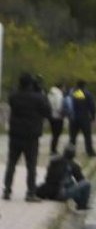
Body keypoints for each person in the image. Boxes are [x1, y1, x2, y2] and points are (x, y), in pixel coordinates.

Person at [5, 73, 52, 202]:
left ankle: (7, 190)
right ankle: (30, 192)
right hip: (31, 136)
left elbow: (13, 97)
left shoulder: (14, 96)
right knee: (31, 165)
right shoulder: (39, 98)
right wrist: (42, 93)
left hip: (15, 135)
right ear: (32, 84)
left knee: (11, 163)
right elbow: (48, 112)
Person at [67, 80, 96, 158]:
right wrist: (93, 116)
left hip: (73, 118)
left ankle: (70, 152)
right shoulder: (87, 94)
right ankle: (90, 152)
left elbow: (68, 105)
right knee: (87, 136)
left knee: (72, 137)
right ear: (84, 85)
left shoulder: (72, 93)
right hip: (84, 117)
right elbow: (92, 106)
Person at [47, 82, 65, 155]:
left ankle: (52, 149)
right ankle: (53, 150)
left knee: (54, 134)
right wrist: (62, 112)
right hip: (58, 116)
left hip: (51, 116)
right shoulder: (59, 94)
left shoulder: (50, 94)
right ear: (61, 87)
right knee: (56, 134)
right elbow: (59, 106)